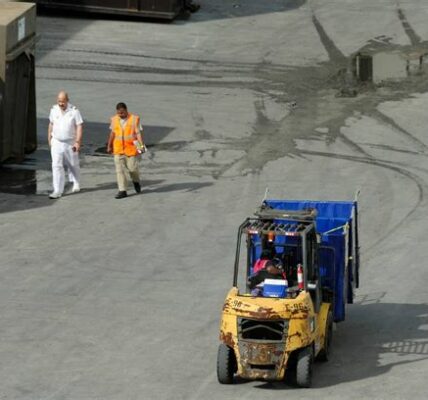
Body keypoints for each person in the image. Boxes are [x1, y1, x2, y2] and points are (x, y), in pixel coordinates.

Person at [48, 91, 83, 199]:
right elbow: (51, 124)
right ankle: (57, 190)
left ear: (67, 100)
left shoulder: (74, 111)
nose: (61, 103)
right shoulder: (54, 110)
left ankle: (76, 182)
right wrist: (49, 138)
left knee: (73, 164)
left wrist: (77, 142)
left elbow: (79, 126)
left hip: (70, 142)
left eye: (63, 101)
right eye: (59, 101)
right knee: (56, 165)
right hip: (57, 142)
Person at [107, 103, 144, 199]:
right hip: (118, 149)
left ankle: (136, 181)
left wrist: (141, 147)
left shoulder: (134, 119)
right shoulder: (114, 119)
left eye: (122, 113)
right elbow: (112, 133)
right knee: (120, 171)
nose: (121, 115)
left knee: (132, 169)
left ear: (126, 110)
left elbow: (138, 134)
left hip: (131, 149)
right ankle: (122, 190)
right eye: (119, 113)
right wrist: (109, 145)